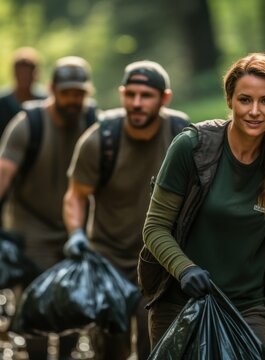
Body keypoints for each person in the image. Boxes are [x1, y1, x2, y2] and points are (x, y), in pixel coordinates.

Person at [140, 53, 265, 353]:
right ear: (230, 100)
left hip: (248, 309)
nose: (254, 111)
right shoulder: (192, 147)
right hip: (180, 302)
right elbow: (155, 227)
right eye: (245, 100)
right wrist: (185, 270)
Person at [0, 56, 97, 359]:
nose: (73, 100)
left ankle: (65, 355)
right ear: (52, 89)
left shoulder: (94, 122)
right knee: (34, 300)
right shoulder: (29, 123)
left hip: (75, 225)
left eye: (79, 94)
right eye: (67, 93)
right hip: (30, 224)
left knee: (74, 301)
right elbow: (2, 168)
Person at [62, 60, 190, 359]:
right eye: (130, 94)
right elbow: (75, 196)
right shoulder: (100, 139)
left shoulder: (182, 137)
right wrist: (76, 235)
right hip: (109, 260)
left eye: (146, 96)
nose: (137, 103)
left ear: (165, 99)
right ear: (121, 94)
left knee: (155, 348)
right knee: (109, 348)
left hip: (162, 262)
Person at [0, 47, 46, 177]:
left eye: (28, 73)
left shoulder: (45, 105)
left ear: (35, 74)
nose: (24, 77)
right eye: (21, 73)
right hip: (2, 173)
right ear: (14, 73)